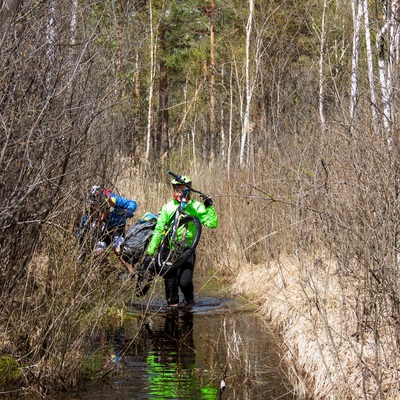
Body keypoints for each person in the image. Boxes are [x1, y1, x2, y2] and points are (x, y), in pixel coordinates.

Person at [143, 176, 218, 310]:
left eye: (183, 190)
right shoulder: (168, 207)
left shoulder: (196, 207)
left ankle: (189, 301)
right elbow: (159, 230)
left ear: (189, 191)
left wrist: (209, 207)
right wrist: (150, 252)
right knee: (170, 284)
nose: (180, 193)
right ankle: (173, 312)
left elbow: (212, 224)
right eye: (177, 190)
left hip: (187, 250)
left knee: (184, 282)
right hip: (169, 249)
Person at [77, 185, 137, 261]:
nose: (94, 207)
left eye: (95, 205)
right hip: (103, 230)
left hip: (117, 227)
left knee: (117, 250)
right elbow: (84, 222)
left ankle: (132, 272)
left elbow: (131, 202)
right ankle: (108, 270)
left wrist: (130, 210)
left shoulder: (111, 198)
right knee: (98, 252)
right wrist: (80, 234)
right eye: (92, 205)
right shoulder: (89, 209)